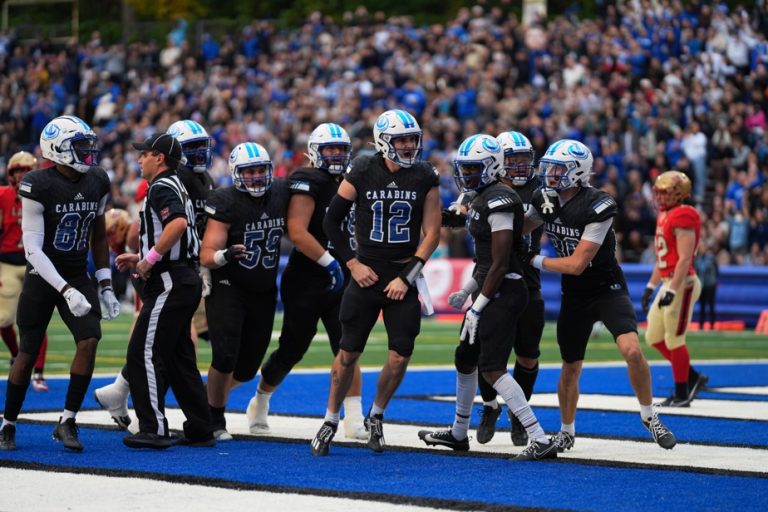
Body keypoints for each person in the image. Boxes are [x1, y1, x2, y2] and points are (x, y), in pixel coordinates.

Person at [525, 139, 676, 451]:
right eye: (550, 167)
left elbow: (577, 264)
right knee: (570, 366)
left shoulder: (599, 204)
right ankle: (567, 431)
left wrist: (532, 260)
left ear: (577, 172)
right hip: (575, 294)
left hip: (606, 288)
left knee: (632, 350)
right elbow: (521, 226)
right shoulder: (545, 198)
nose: (550, 174)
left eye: (558, 168)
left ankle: (649, 415)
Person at [418, 134, 557, 461]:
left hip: (505, 290)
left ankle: (538, 435)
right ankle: (457, 432)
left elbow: (499, 262)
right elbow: (484, 262)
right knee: (465, 358)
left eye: (473, 167)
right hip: (490, 288)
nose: (466, 174)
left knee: (492, 369)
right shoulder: (482, 196)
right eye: (463, 168)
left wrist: (477, 307)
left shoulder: (500, 200)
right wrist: (468, 292)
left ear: (493, 166)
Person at [310, 109, 441, 456]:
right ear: (384, 142)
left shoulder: (425, 174)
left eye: (413, 139)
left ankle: (377, 415)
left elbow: (432, 234)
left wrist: (407, 275)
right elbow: (331, 222)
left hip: (403, 274)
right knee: (348, 353)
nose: (410, 145)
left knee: (400, 356)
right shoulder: (364, 169)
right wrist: (352, 264)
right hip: (366, 274)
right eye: (402, 140)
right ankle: (330, 418)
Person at [0, 115, 117, 451]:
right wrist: (65, 290)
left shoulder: (97, 180)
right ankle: (8, 423)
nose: (88, 152)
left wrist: (105, 284)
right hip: (43, 276)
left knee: (90, 338)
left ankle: (67, 420)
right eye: (80, 146)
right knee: (27, 351)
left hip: (78, 272)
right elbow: (33, 250)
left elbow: (98, 236)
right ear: (58, 148)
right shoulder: (38, 184)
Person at [94, 119, 215, 429]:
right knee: (180, 360)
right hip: (185, 275)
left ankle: (152, 428)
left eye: (144, 154)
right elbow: (181, 231)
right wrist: (143, 254)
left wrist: (149, 258)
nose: (139, 159)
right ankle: (202, 427)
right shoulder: (180, 184)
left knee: (142, 353)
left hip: (170, 280)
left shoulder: (161, 185)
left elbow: (177, 225)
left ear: (160, 157)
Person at [248, 123, 367, 440]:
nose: (337, 154)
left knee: (348, 345)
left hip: (342, 274)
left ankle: (354, 417)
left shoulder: (349, 180)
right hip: (307, 277)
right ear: (315, 151)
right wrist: (329, 262)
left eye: (341, 148)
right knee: (292, 348)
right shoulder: (307, 179)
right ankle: (260, 400)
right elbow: (297, 231)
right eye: (330, 149)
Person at [200, 142, 290, 441]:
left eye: (260, 170)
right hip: (229, 285)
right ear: (236, 173)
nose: (255, 177)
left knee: (248, 368)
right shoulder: (225, 200)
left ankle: (202, 399)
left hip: (263, 289)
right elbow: (207, 252)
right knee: (224, 355)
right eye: (248, 171)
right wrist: (224, 255)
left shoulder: (280, 193)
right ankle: (214, 417)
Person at [473, 131, 545, 447]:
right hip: (492, 278)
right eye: (511, 158)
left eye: (523, 158)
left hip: (526, 280)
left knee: (528, 357)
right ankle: (490, 406)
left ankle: (519, 413)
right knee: (485, 355)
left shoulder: (541, 192)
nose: (518, 165)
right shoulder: (484, 189)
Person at [642, 170, 708, 407]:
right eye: (657, 192)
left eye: (664, 192)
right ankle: (691, 376)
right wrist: (651, 286)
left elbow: (684, 259)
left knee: (674, 339)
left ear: (679, 193)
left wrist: (671, 290)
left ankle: (682, 394)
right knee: (653, 336)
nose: (659, 196)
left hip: (683, 283)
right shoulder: (665, 215)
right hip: (669, 281)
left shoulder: (684, 215)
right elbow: (663, 259)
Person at [0, 151, 51, 392]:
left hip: (36, 262)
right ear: (10, 174)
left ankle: (38, 372)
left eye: (25, 170)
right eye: (17, 171)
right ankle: (16, 355)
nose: (21, 175)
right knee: (3, 319)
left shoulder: (46, 194)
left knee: (37, 320)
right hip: (7, 263)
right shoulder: (3, 196)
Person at [694, 239, 718, 330]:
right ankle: (701, 325)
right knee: (702, 306)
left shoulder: (711, 258)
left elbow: (716, 271)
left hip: (710, 285)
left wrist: (714, 281)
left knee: (711, 305)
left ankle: (712, 324)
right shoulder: (697, 259)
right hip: (701, 285)